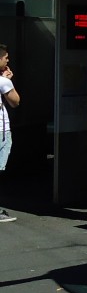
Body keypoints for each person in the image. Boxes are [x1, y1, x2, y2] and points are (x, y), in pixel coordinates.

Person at [0, 44, 21, 222]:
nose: (8, 60)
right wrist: (8, 81)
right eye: (6, 57)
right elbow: (15, 102)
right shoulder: (3, 82)